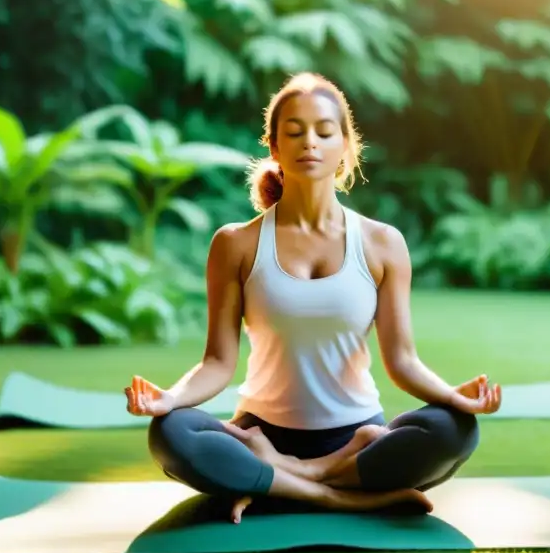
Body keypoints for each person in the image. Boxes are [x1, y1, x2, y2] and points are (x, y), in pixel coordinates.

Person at [124, 72, 502, 523]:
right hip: (258, 432)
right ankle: (336, 494)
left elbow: (402, 361)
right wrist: (169, 399)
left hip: (358, 435)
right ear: (275, 147)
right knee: (170, 432)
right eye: (295, 131)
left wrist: (456, 399)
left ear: (346, 146)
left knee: (454, 431)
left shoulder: (382, 244)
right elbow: (217, 364)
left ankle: (275, 480)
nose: (310, 142)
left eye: (325, 131)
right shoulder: (236, 245)